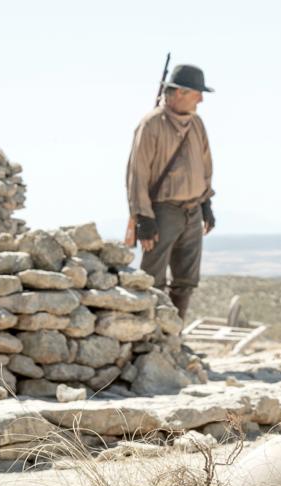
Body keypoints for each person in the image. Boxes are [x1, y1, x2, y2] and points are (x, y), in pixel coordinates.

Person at [124, 63, 215, 319]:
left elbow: (206, 166)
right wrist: (143, 217)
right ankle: (149, 335)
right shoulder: (151, 125)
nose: (201, 99)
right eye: (197, 93)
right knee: (152, 278)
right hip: (162, 211)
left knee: (187, 280)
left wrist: (206, 204)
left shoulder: (197, 125)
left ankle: (173, 337)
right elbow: (137, 175)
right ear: (180, 92)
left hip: (193, 209)